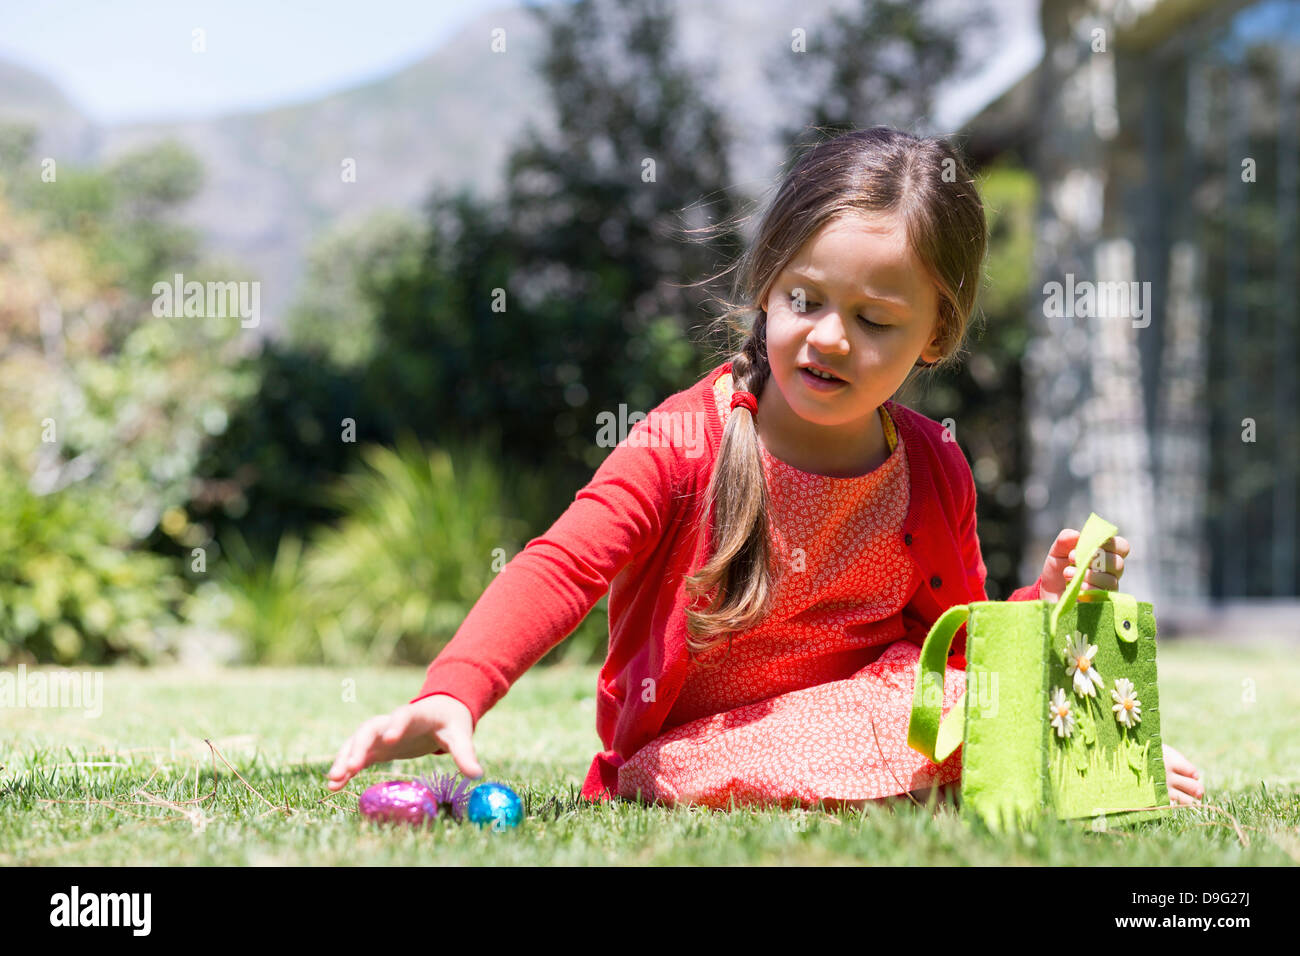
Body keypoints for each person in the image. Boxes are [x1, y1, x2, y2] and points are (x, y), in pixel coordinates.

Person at [325, 126, 1204, 812]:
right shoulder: (682, 444)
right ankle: (950, 771)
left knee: (953, 705)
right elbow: (564, 563)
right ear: (765, 285)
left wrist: (1045, 612)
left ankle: (1049, 765)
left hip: (886, 717)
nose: (829, 336)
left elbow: (958, 653)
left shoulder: (932, 467)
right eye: (805, 299)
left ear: (934, 334)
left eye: (875, 319)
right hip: (705, 750)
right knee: (941, 725)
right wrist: (457, 690)